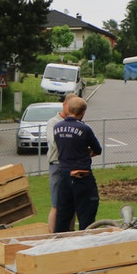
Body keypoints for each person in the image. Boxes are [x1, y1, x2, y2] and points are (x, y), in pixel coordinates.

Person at [53, 96, 102, 233]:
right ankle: (85, 240)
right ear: (83, 112)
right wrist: (86, 153)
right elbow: (97, 149)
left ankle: (59, 240)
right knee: (87, 213)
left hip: (64, 175)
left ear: (68, 108)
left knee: (63, 214)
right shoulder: (84, 129)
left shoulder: (57, 127)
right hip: (82, 176)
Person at [45, 94, 74, 233]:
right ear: (64, 105)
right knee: (56, 204)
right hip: (57, 164)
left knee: (72, 204)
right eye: (71, 106)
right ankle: (52, 236)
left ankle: (71, 234)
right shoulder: (53, 122)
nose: (73, 110)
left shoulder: (77, 122)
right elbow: (55, 142)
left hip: (72, 166)